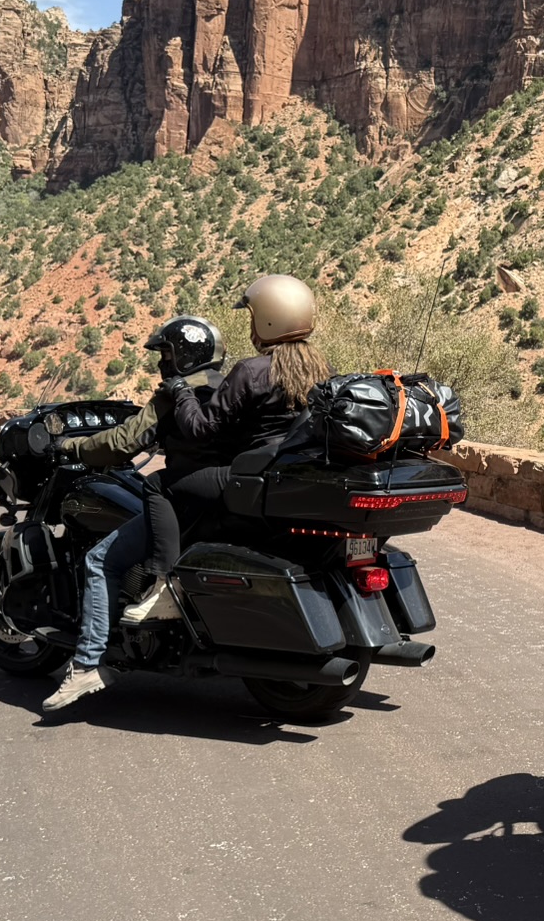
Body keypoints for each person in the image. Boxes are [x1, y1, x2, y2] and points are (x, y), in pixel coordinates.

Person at [39, 317, 228, 720]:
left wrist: (73, 447)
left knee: (98, 561)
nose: (162, 362)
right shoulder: (227, 388)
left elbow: (123, 442)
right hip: (225, 499)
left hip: (183, 500)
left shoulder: (176, 393)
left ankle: (87, 665)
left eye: (167, 353)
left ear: (185, 355)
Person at [162, 273, 332, 529]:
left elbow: (200, 428)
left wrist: (180, 390)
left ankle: (162, 557)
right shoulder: (323, 369)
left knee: (157, 484)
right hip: (297, 472)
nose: (251, 326)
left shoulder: (252, 371)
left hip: (256, 474)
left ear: (269, 320)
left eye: (253, 319)